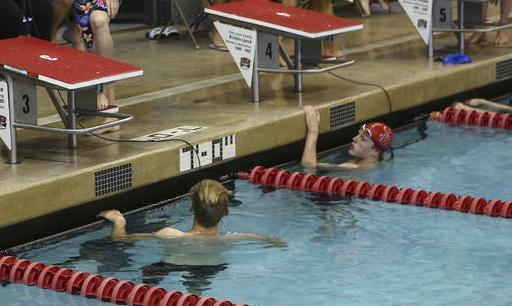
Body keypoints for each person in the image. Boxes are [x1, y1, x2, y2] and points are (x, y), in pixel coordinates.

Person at [98, 179, 285, 245]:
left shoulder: (169, 234)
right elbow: (268, 241)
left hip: (170, 269)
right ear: (226, 212)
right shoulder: (235, 239)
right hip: (213, 270)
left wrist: (119, 223)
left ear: (191, 208)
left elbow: (120, 240)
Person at [301, 104, 394, 168]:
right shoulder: (381, 163)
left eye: (363, 139)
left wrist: (313, 130)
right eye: (358, 135)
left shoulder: (353, 168)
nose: (354, 139)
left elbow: (308, 166)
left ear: (376, 151)